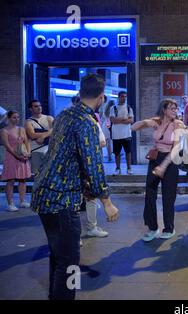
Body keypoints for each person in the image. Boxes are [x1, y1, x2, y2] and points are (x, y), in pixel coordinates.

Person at [31, 73, 119, 300]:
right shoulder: (87, 123)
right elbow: (94, 164)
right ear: (101, 98)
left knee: (58, 257)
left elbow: (66, 156)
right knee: (70, 263)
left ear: (81, 93)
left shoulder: (64, 115)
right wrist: (107, 202)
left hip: (44, 194)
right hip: (62, 199)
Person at [131, 99, 184, 241]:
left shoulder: (177, 124)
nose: (175, 111)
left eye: (176, 108)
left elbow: (176, 148)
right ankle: (153, 228)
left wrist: (163, 166)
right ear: (164, 110)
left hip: (170, 161)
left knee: (168, 196)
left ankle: (169, 228)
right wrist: (146, 122)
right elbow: (134, 127)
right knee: (150, 193)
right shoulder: (158, 122)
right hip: (155, 159)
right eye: (172, 108)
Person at [1, 110, 31, 211]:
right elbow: (7, 146)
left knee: (23, 179)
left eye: (18, 117)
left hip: (23, 156)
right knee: (11, 180)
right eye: (14, 117)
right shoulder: (4, 130)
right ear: (9, 118)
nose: (17, 119)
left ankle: (22, 201)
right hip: (12, 157)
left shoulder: (21, 129)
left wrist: (28, 153)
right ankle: (10, 203)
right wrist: (17, 156)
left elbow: (26, 141)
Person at [25, 100, 54, 175]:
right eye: (36, 106)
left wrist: (42, 136)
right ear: (31, 109)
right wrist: (48, 132)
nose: (39, 107)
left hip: (49, 149)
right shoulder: (28, 122)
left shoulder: (49, 118)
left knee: (50, 173)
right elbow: (32, 135)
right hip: (35, 150)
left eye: (40, 105)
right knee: (37, 174)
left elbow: (55, 130)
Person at [110, 91, 134, 175]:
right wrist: (124, 118)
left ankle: (129, 168)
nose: (124, 98)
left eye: (125, 96)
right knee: (117, 153)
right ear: (118, 97)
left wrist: (119, 119)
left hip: (127, 134)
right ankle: (117, 168)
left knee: (128, 152)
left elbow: (131, 120)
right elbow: (113, 120)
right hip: (116, 135)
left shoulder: (128, 108)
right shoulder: (113, 108)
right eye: (122, 96)